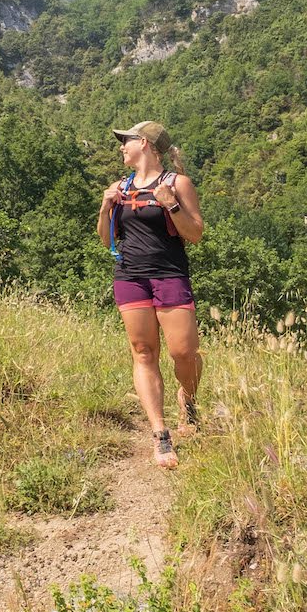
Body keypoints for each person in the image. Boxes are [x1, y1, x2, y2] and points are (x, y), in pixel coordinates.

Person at [97, 121, 204, 470]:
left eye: (125, 142)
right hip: (130, 277)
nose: (121, 148)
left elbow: (196, 234)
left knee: (183, 352)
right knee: (144, 352)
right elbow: (105, 239)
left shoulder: (177, 183)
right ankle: (161, 434)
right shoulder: (119, 187)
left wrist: (171, 205)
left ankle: (187, 400)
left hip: (170, 273)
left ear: (143, 143)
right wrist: (105, 206)